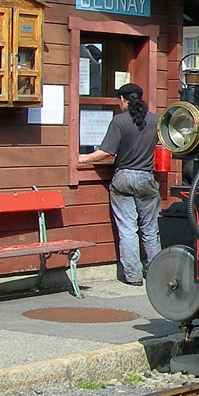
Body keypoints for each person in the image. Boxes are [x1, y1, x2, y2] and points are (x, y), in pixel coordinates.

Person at [78, 82, 161, 286]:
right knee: (150, 229)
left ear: (122, 100)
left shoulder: (119, 121)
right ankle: (156, 274)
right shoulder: (156, 120)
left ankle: (132, 276)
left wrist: (82, 159)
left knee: (127, 229)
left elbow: (107, 152)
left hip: (123, 177)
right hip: (146, 177)